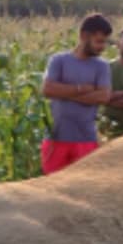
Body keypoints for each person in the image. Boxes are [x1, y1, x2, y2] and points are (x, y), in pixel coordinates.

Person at [39, 14, 113, 174]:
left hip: (85, 140)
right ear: (83, 36)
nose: (103, 47)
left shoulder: (102, 66)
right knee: (52, 187)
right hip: (56, 139)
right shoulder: (58, 60)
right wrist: (81, 89)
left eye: (105, 42)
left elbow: (103, 96)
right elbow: (47, 89)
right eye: (99, 41)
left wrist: (64, 92)